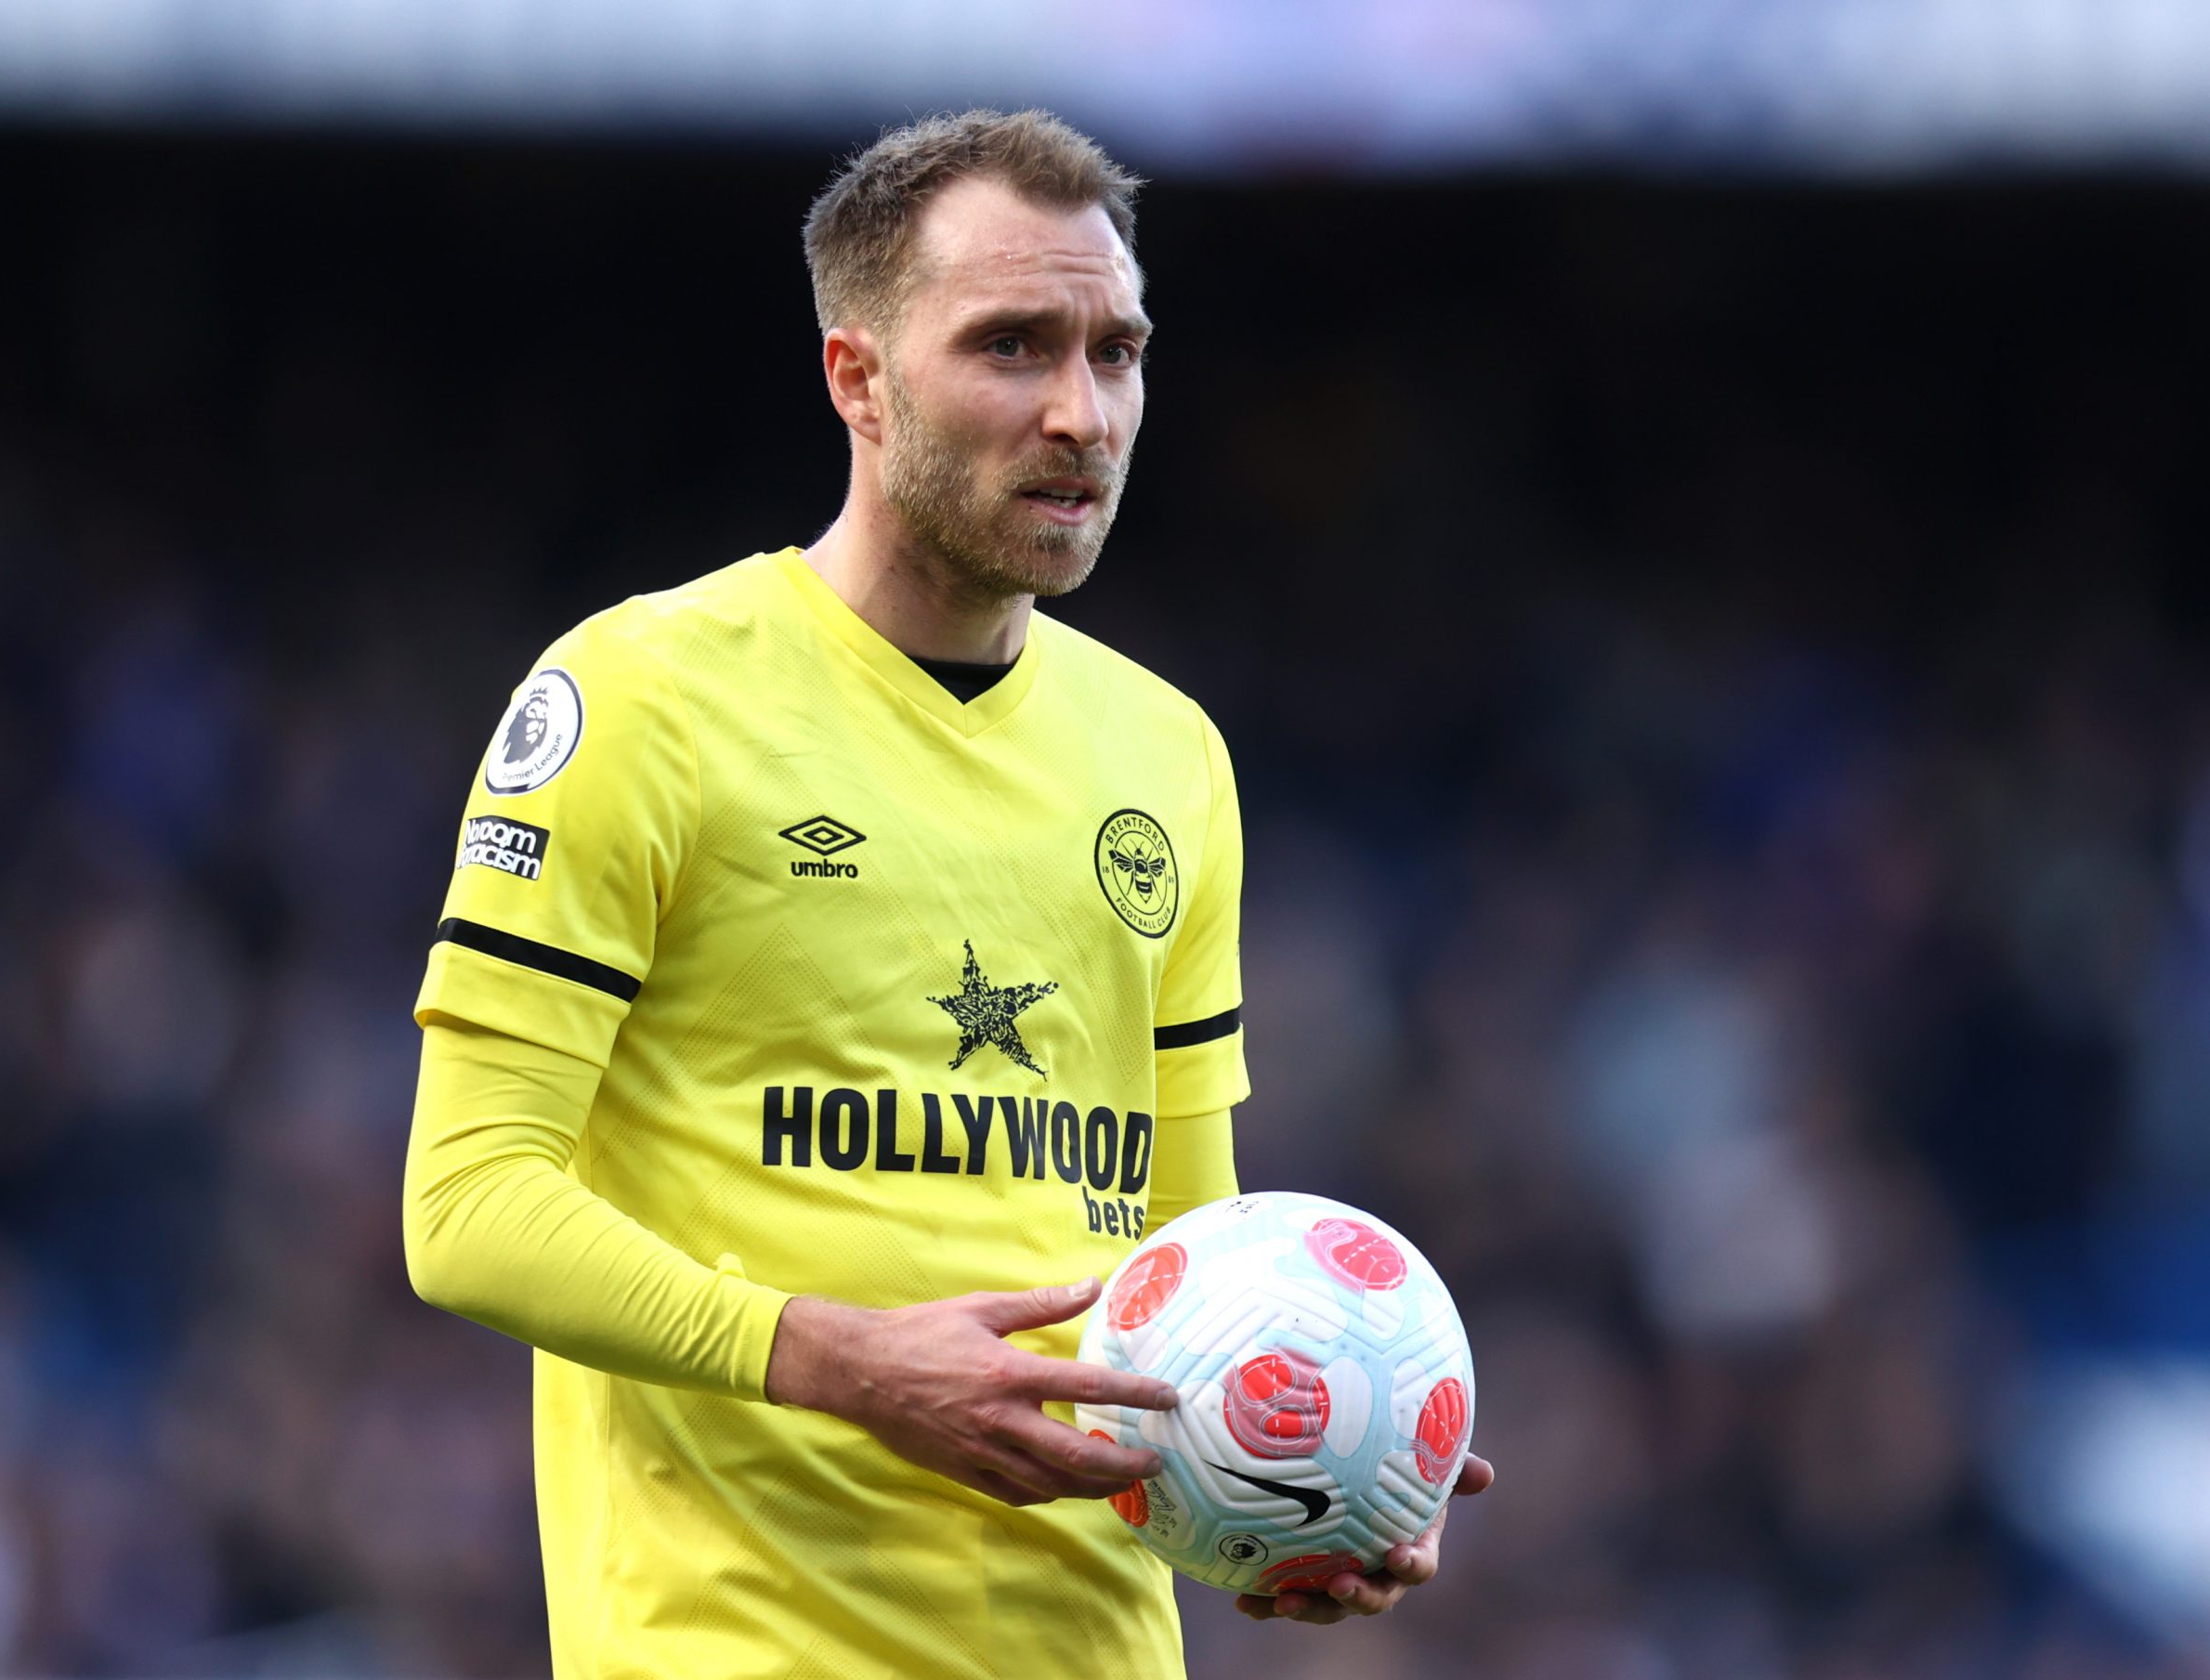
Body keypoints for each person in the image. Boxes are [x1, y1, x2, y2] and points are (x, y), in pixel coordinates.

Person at [402, 108, 1491, 1680]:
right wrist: (843, 1362)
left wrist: (1300, 1474)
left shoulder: (1168, 756)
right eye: (1012, 347)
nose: (1081, 412)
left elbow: (1181, 1260)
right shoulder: (641, 699)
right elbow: (466, 1209)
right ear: (859, 377)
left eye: (1115, 352)